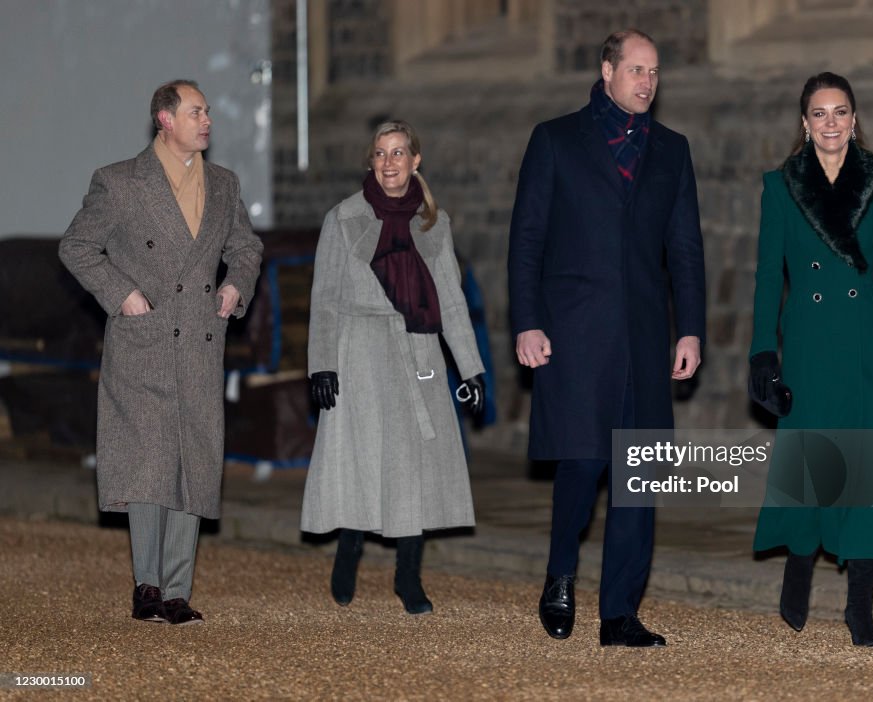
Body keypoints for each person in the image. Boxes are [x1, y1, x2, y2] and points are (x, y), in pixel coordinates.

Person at [508, 29, 706, 647]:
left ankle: (620, 613)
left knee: (640, 473)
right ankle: (560, 574)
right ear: (607, 70)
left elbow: (686, 251)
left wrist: (692, 330)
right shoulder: (556, 139)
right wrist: (527, 321)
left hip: (646, 337)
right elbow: (527, 242)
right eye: (637, 69)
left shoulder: (672, 150)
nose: (647, 82)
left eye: (654, 72)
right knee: (583, 460)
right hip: (575, 332)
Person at [59, 79, 264, 625]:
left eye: (208, 111)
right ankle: (147, 586)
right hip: (144, 340)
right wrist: (121, 293)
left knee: (192, 460)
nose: (208, 120)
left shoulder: (223, 184)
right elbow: (77, 245)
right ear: (165, 120)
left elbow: (246, 247)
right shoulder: (121, 181)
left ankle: (177, 590)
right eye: (196, 111)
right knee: (149, 462)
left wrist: (235, 286)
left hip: (199, 339)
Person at [748, 72, 873, 647]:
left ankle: (860, 607)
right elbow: (769, 274)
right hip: (808, 344)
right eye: (819, 113)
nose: (830, 123)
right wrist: (762, 353)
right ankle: (800, 564)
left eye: (840, 112)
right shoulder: (780, 187)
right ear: (804, 123)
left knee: (869, 468)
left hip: (866, 341)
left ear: (854, 118)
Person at [302, 120, 485, 615]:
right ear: (371, 162)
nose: (389, 163)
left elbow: (450, 299)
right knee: (361, 458)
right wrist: (321, 365)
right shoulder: (342, 219)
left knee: (412, 467)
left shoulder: (434, 223)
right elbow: (325, 299)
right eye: (381, 154)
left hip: (418, 351)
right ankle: (349, 551)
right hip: (358, 351)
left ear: (415, 161)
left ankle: (409, 578)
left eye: (399, 153)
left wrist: (471, 369)